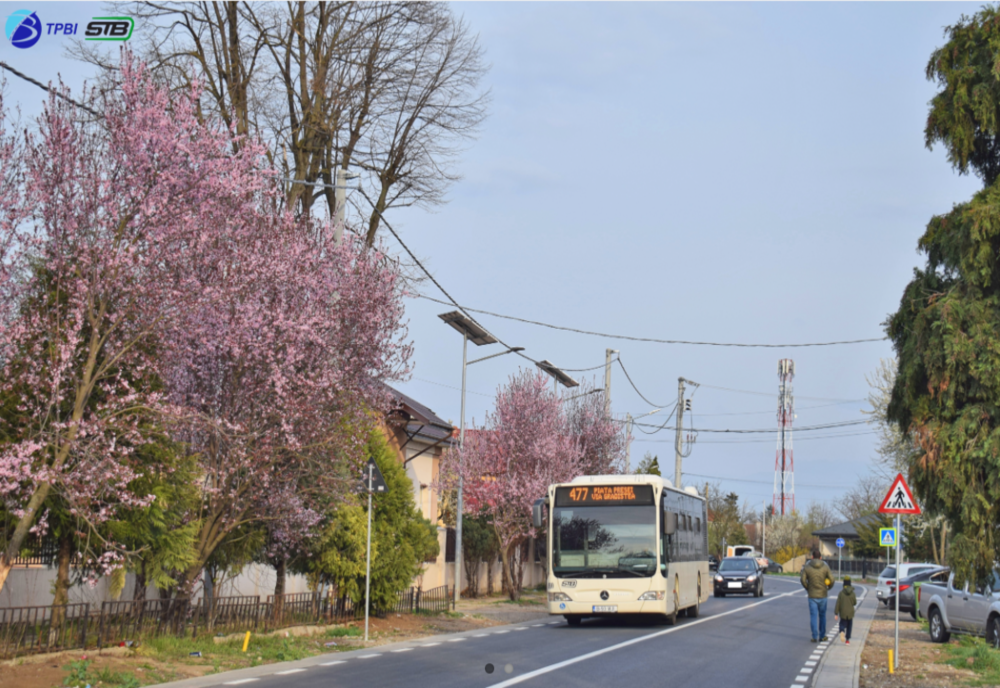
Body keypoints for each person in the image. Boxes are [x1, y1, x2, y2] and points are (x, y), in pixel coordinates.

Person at [800, 549, 834, 642]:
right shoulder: (825, 567)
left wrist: (808, 588)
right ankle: (822, 635)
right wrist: (828, 588)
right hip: (823, 595)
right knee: (822, 616)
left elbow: (802, 580)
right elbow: (832, 579)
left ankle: (814, 636)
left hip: (812, 596)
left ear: (812, 557)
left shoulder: (807, 567)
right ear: (820, 557)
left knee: (813, 616)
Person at [834, 576, 858, 644]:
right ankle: (847, 640)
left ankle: (842, 631)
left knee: (842, 623)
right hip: (850, 613)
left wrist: (836, 613)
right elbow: (855, 603)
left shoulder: (841, 593)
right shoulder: (853, 593)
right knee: (849, 626)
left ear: (844, 584)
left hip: (843, 612)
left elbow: (838, 604)